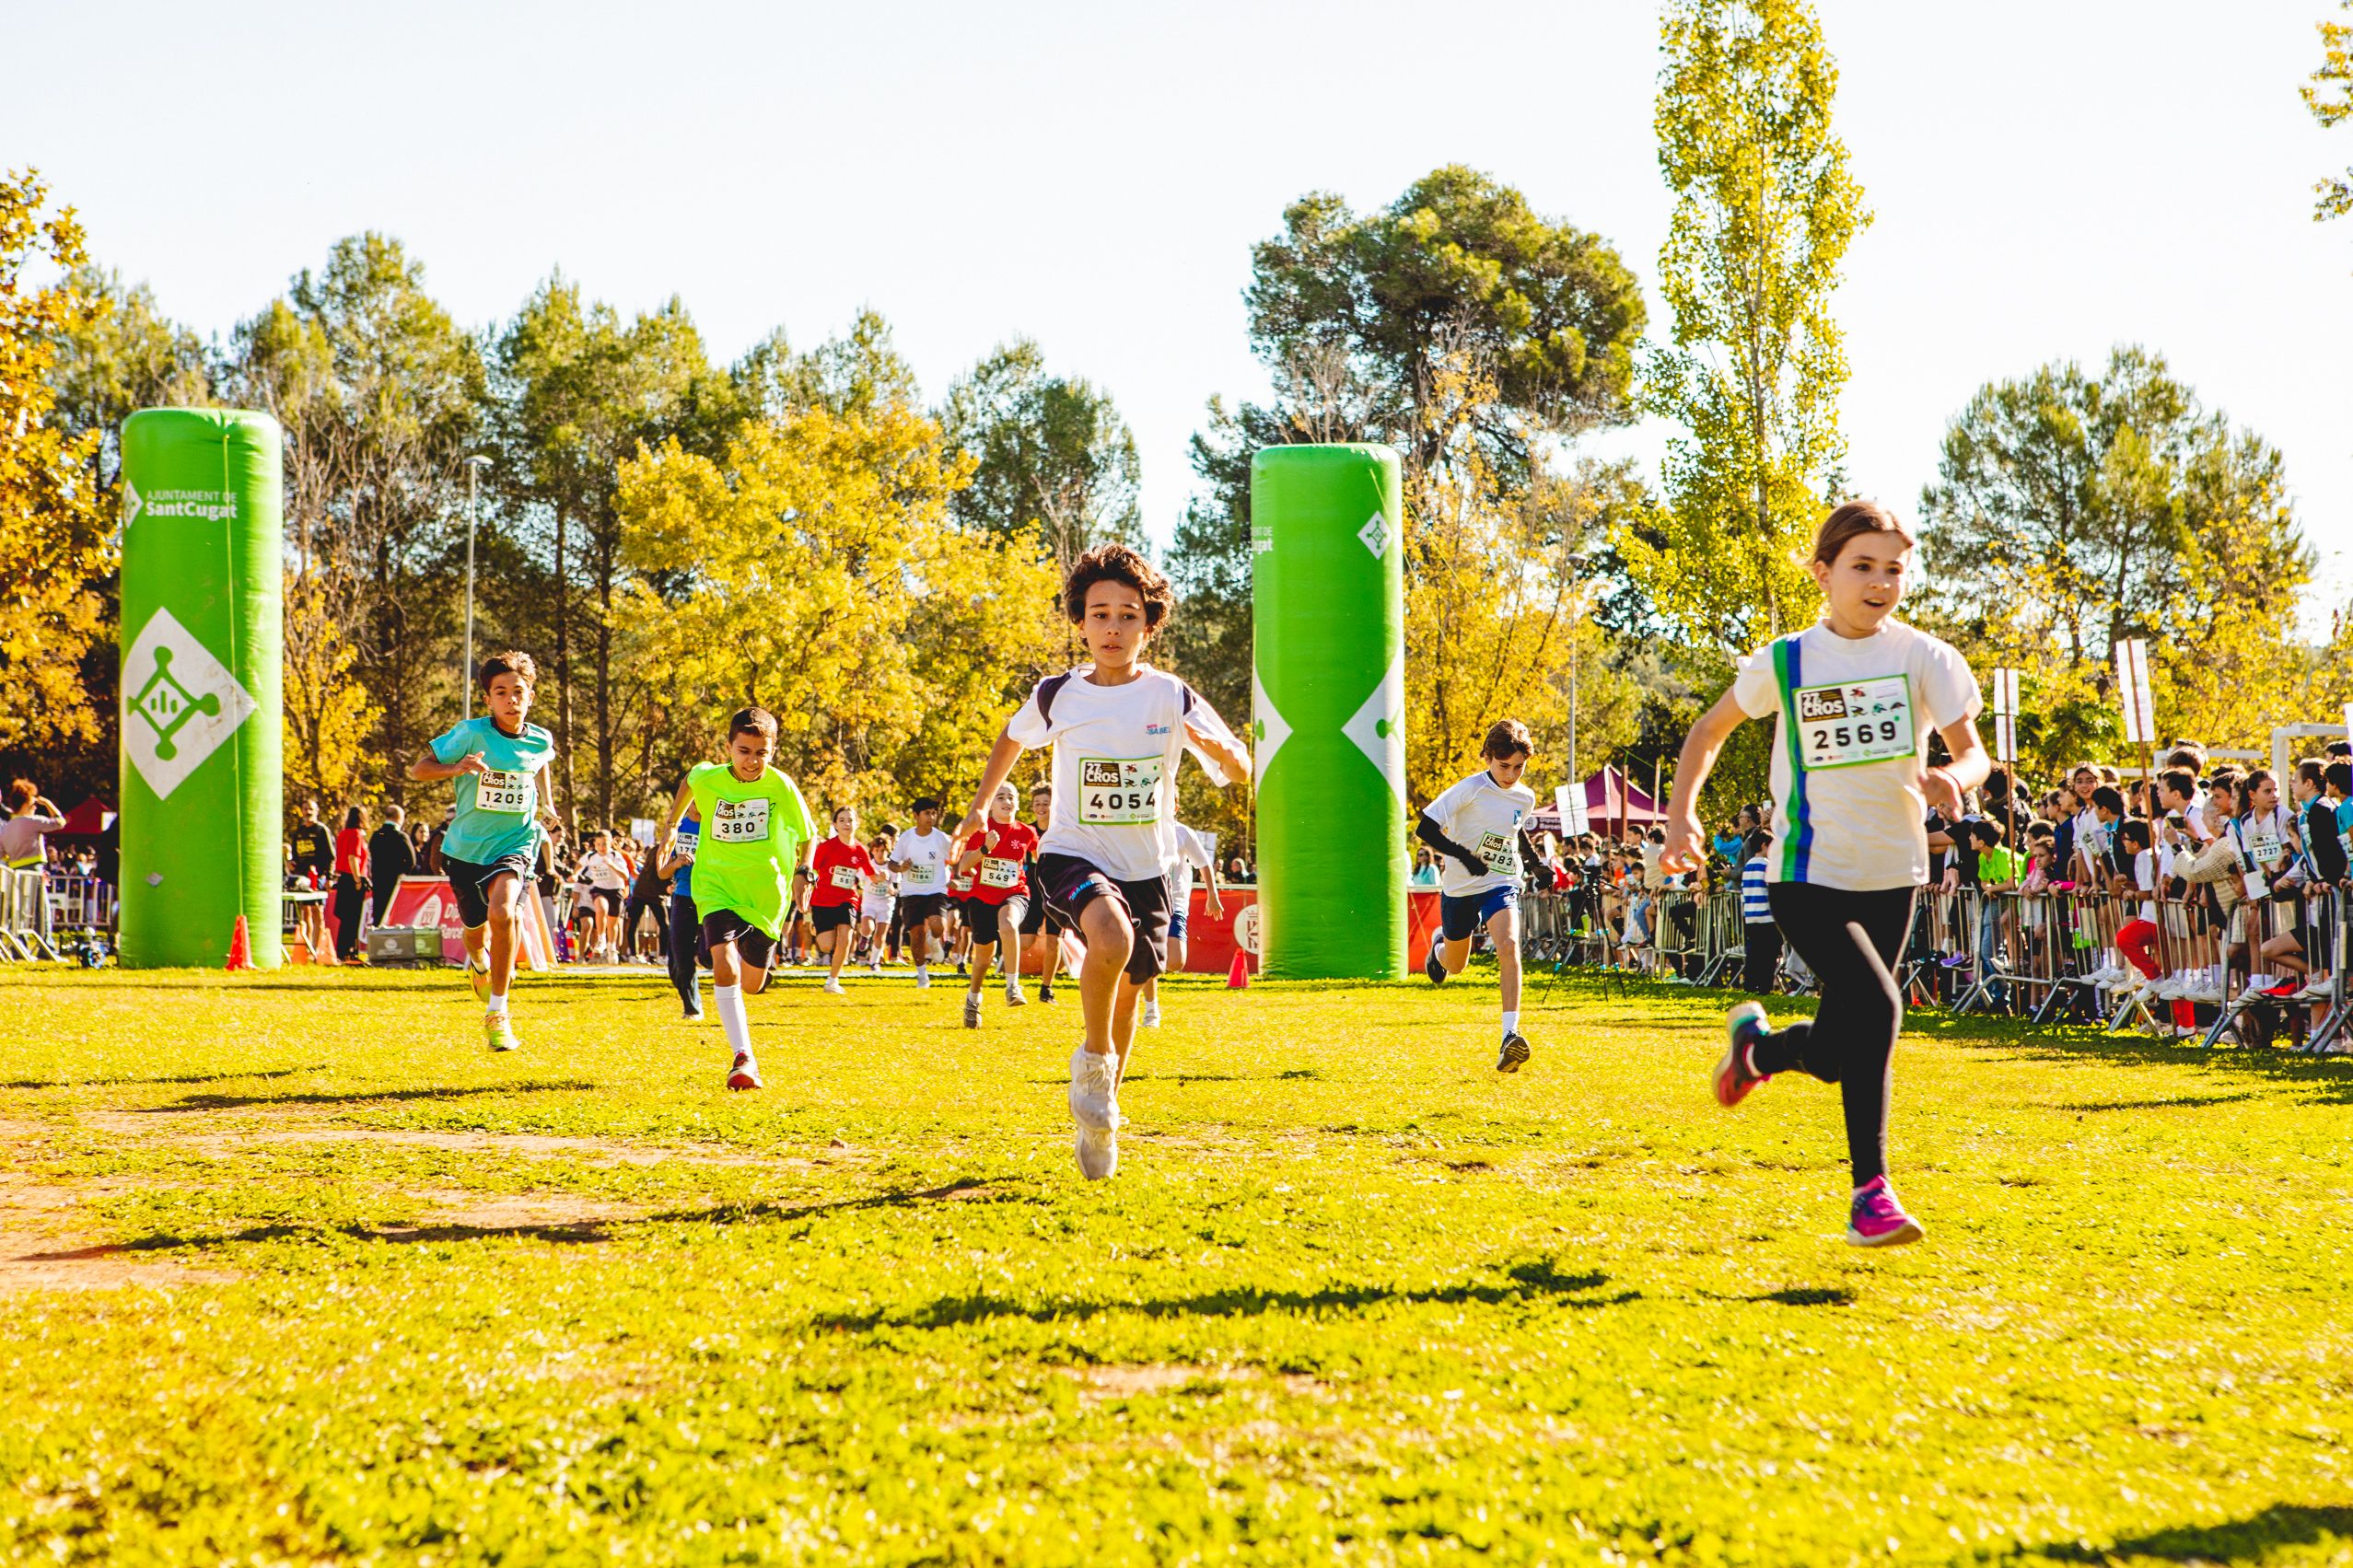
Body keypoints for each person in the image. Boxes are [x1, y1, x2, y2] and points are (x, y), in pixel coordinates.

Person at [1663, 499, 1986, 1250]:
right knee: (1878, 1005)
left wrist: (1953, 776)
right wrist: (1681, 815)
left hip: (1893, 873)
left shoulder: (1925, 657)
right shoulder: (1786, 660)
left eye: (1893, 570)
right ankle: (1869, 1193)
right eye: (1861, 566)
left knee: (1839, 1055)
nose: (1879, 583)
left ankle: (1761, 1051)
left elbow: (1973, 751)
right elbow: (1707, 730)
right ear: (1823, 572)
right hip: (1804, 874)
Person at [956, 542, 1249, 1181]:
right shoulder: (1058, 693)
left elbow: (1238, 765)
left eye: (1127, 615)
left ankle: (1102, 1105)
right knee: (1108, 937)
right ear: (1079, 621)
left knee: (1134, 983)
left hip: (1147, 866)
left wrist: (1219, 754)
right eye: (1099, 614)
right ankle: (1091, 1062)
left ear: (1149, 623)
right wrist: (981, 808)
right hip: (1072, 852)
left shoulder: (1171, 695)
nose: (1112, 628)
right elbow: (1011, 736)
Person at [404, 651, 560, 1053]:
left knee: (505, 912)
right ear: (488, 699)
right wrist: (457, 769)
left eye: (519, 692)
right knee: (475, 934)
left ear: (531, 696)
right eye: (501, 692)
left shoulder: (541, 738)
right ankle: (477, 963)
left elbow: (540, 762)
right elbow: (418, 769)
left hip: (517, 842)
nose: (511, 699)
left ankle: (498, 1012)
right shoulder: (470, 733)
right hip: (467, 849)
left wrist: (549, 807)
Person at [658, 706, 816, 1092]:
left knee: (751, 984)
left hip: (766, 893)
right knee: (723, 965)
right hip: (716, 885)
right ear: (729, 747)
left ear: (773, 751)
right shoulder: (709, 777)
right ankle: (742, 1058)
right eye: (744, 751)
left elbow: (809, 835)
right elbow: (690, 781)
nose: (752, 760)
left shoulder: (780, 786)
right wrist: (672, 825)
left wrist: (803, 874)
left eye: (761, 752)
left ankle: (754, 962)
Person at [1417, 719, 1541, 1073]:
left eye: (1519, 766)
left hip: (1500, 881)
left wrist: (1535, 864)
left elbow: (1514, 832)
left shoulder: (1525, 796)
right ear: (1487, 756)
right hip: (1459, 888)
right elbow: (1425, 826)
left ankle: (1510, 1036)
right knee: (1456, 965)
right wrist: (1463, 855)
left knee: (1509, 945)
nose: (1512, 774)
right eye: (1504, 766)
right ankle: (1439, 948)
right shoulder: (1469, 789)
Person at [953, 782, 1040, 1027]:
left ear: (1018, 803)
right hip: (982, 899)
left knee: (1009, 923)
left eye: (1011, 797)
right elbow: (964, 866)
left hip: (1015, 893)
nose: (1006, 801)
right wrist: (984, 848)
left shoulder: (1026, 833)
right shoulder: (982, 830)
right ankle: (973, 1001)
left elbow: (1041, 854)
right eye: (1000, 797)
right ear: (991, 805)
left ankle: (1013, 986)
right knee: (983, 959)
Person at [1141, 820, 1222, 1028]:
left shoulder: (1182, 832)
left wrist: (1212, 895)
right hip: (1148, 903)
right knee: (1149, 957)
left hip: (1176, 904)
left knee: (1176, 961)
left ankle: (1147, 967)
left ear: (1175, 805)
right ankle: (1151, 1011)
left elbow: (1203, 863)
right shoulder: (1142, 828)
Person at [810, 806, 879, 996]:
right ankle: (816, 927)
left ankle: (833, 981)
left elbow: (871, 875)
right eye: (841, 820)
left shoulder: (860, 850)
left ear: (857, 823)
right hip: (823, 900)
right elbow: (811, 869)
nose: (846, 824)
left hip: (847, 899)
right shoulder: (826, 848)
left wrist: (885, 877)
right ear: (835, 825)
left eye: (850, 820)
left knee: (846, 938)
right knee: (825, 946)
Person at [891, 797, 957, 989]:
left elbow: (956, 856)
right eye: (927, 813)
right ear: (916, 816)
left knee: (938, 925)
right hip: (911, 893)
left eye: (934, 813)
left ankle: (935, 940)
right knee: (916, 935)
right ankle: (922, 976)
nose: (931, 817)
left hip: (936, 890)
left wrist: (958, 875)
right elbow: (892, 863)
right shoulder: (906, 838)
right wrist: (901, 867)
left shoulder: (941, 838)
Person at [1016, 783, 1067, 1004]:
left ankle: (1046, 989)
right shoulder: (1026, 831)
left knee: (1053, 942)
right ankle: (1012, 982)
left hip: (1056, 891)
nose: (1041, 807)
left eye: (1046, 803)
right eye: (1037, 803)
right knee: (1025, 941)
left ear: (1053, 805)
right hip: (1032, 892)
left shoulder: (1061, 830)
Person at [658, 810, 705, 1019]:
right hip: (684, 896)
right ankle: (692, 1007)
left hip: (712, 896)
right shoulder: (676, 827)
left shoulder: (718, 825)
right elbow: (662, 873)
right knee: (679, 960)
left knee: (707, 956)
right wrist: (676, 863)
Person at [287, 799, 334, 961]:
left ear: (317, 811)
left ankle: (316, 948)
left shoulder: (322, 831)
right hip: (302, 878)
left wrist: (328, 877)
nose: (308, 812)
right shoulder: (299, 832)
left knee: (317, 911)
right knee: (305, 912)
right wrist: (290, 862)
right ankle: (306, 948)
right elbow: (294, 855)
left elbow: (331, 856)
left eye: (311, 809)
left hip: (318, 876)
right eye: (305, 809)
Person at [577, 830, 632, 964]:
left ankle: (612, 948)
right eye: (598, 844)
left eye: (605, 844)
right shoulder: (591, 856)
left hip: (615, 890)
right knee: (601, 908)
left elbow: (625, 876)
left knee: (613, 923)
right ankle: (601, 939)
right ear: (595, 844)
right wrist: (575, 874)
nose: (602, 847)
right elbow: (579, 864)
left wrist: (611, 865)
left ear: (611, 843)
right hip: (599, 889)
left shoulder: (615, 856)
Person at [331, 804, 370, 964]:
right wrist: (358, 879)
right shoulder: (356, 834)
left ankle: (343, 951)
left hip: (343, 878)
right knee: (352, 918)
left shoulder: (342, 834)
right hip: (352, 878)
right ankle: (349, 952)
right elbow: (353, 858)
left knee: (346, 918)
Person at [1741, 828, 1779, 993]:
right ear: (1764, 845)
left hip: (1751, 916)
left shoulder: (1748, 866)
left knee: (1754, 952)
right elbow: (1772, 891)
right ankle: (1765, 985)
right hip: (1766, 916)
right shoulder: (1767, 866)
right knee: (1769, 954)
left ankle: (1749, 983)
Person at [1, 781, 66, 871]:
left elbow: (2, 854)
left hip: (14, 871)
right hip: (34, 868)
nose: (35, 807)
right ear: (26, 804)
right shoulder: (33, 821)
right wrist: (47, 803)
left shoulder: (5, 828)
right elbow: (60, 822)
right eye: (33, 804)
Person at [857, 830, 898, 974]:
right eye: (877, 850)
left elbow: (896, 886)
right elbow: (860, 881)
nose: (880, 853)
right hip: (869, 902)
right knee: (868, 927)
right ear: (872, 851)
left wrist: (891, 888)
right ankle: (864, 937)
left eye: (883, 850)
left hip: (886, 903)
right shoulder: (869, 865)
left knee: (881, 935)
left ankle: (874, 962)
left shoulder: (892, 867)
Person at [367, 804, 414, 925]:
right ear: (399, 818)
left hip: (378, 881)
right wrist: (402, 873)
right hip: (395, 882)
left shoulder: (376, 836)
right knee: (394, 915)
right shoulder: (400, 836)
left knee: (379, 914)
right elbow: (412, 860)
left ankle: (377, 940)